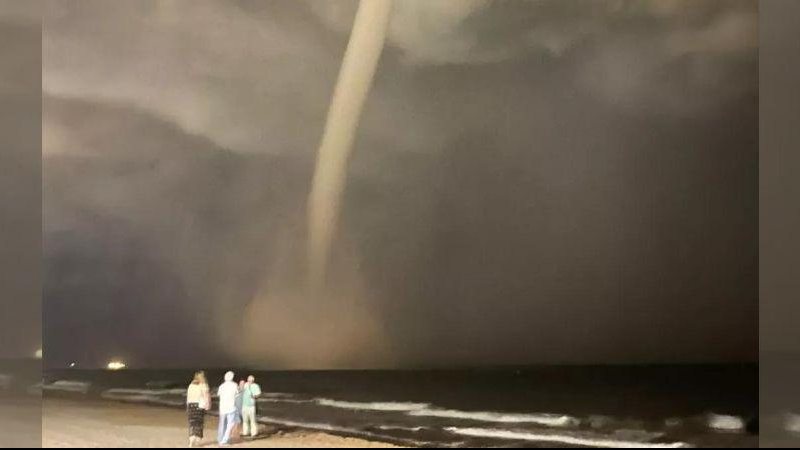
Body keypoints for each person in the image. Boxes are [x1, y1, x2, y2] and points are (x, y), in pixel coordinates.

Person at [185, 371, 211, 448]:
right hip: (199, 405)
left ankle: (191, 439)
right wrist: (208, 404)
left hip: (191, 405)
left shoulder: (191, 385)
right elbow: (206, 396)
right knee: (199, 423)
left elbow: (188, 397)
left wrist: (187, 406)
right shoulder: (203, 385)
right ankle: (197, 440)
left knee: (192, 423)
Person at [217, 371, 239, 446]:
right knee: (230, 424)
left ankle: (220, 439)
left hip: (222, 407)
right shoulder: (234, 385)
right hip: (231, 407)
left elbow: (219, 395)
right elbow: (237, 394)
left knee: (222, 424)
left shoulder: (221, 386)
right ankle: (224, 440)